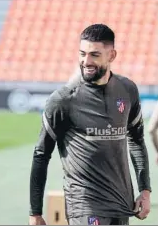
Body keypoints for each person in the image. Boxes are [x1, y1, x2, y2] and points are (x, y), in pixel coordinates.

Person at [28, 24, 151, 225]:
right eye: (82, 54)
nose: (86, 61)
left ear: (112, 56)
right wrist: (35, 212)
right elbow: (41, 155)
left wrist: (145, 191)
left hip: (121, 204)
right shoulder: (63, 100)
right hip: (84, 205)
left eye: (94, 55)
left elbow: (137, 140)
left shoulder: (127, 90)